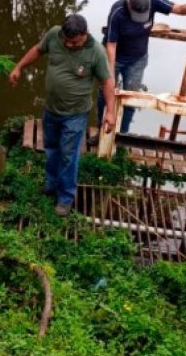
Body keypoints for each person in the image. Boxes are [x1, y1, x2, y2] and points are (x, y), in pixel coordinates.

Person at [9, 14, 116, 217]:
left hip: (75, 114)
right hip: (51, 109)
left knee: (68, 155)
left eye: (73, 41)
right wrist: (19, 67)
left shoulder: (96, 53)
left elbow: (107, 82)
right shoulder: (54, 35)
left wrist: (110, 112)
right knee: (51, 148)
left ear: (84, 35)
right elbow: (38, 50)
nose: (68, 44)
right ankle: (51, 183)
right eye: (65, 39)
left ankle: (65, 197)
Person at [98, 0, 186, 133]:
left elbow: (180, 9)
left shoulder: (152, 1)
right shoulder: (117, 12)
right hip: (115, 57)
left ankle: (122, 135)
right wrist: (110, 74)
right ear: (130, 5)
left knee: (132, 98)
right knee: (105, 94)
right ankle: (102, 130)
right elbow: (111, 45)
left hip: (137, 60)